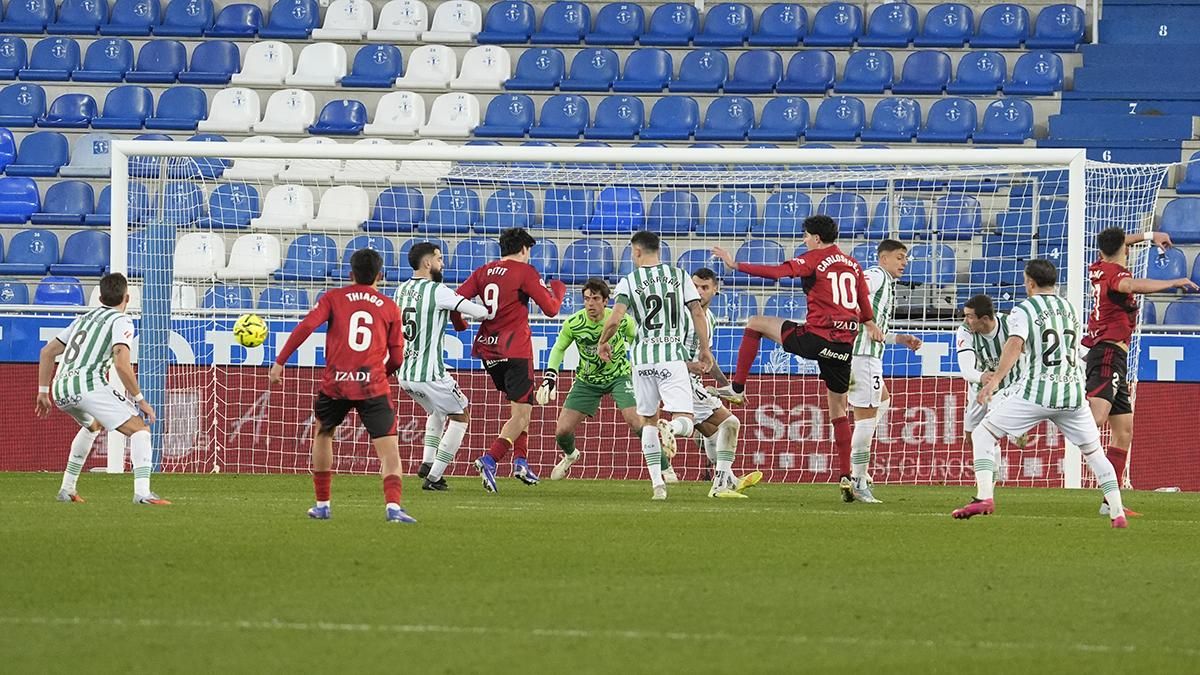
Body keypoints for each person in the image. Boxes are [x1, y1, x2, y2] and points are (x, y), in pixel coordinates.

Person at [712, 215, 882, 500]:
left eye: (805, 236)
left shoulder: (814, 258)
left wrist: (736, 265)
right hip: (843, 346)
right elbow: (864, 305)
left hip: (816, 338)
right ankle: (845, 476)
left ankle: (737, 388)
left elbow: (779, 273)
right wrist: (870, 323)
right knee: (839, 409)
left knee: (754, 322)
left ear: (816, 238)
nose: (804, 240)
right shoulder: (853, 264)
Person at [955, 260, 1130, 528]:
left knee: (983, 433)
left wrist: (994, 381)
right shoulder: (1071, 308)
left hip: (1037, 392)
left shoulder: (1024, 309)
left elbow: (1015, 344)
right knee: (1094, 452)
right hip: (1072, 392)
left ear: (1030, 283)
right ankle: (1117, 512)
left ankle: (984, 497)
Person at [269, 248, 415, 524]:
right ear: (380, 276)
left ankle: (322, 504)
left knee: (323, 435)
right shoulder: (389, 306)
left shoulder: (334, 298)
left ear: (350, 274)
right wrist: (382, 373)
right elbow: (397, 356)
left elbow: (306, 327)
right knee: (389, 450)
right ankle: (393, 507)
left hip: (335, 384)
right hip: (372, 385)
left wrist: (280, 362)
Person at [1084, 227, 1196, 516]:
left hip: (1114, 356)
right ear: (1126, 250)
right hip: (1107, 353)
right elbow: (1132, 286)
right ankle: (1055, 408)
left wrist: (1150, 236)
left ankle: (1110, 501)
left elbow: (1121, 246)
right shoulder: (1115, 276)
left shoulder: (1099, 266)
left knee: (1124, 432)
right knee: (1094, 419)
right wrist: (1175, 282)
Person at [35, 272, 168, 505]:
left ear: (100, 297)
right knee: (139, 430)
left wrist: (43, 392)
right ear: (127, 298)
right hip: (88, 384)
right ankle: (143, 494)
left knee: (93, 425)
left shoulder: (84, 319)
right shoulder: (121, 320)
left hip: (60, 388)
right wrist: (140, 399)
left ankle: (67, 489)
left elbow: (47, 352)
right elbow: (121, 363)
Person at [599, 230, 714, 501]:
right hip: (671, 355)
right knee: (685, 418)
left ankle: (657, 486)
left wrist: (603, 342)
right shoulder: (680, 276)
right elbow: (697, 312)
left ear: (636, 251)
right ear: (658, 250)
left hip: (641, 359)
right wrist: (705, 349)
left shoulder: (629, 281)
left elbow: (615, 319)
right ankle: (671, 429)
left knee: (647, 421)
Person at [455, 227, 567, 493]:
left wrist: (459, 324)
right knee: (522, 414)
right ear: (524, 249)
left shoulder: (484, 271)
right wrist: (559, 292)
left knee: (519, 410)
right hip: (515, 350)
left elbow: (456, 299)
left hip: (488, 351)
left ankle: (521, 462)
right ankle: (491, 459)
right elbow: (551, 310)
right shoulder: (524, 272)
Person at [393, 242, 489, 491]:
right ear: (428, 263)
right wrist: (495, 308)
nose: (442, 263)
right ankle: (434, 478)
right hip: (430, 373)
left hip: (404, 373)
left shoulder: (400, 290)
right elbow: (480, 313)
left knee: (437, 411)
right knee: (461, 415)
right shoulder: (438, 291)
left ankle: (426, 462)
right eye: (439, 258)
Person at [537, 277, 652, 481]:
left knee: (636, 421)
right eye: (587, 299)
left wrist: (641, 366)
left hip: (619, 375)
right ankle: (571, 455)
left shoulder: (622, 320)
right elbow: (559, 348)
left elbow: (638, 340)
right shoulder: (574, 323)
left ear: (606, 301)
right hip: (587, 380)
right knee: (562, 431)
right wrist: (550, 375)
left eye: (595, 298)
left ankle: (664, 468)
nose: (590, 303)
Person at [845, 240, 922, 504]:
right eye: (900, 257)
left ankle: (855, 471)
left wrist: (899, 339)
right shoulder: (877, 275)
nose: (904, 263)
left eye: (906, 259)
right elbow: (852, 292)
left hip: (867, 355)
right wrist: (866, 323)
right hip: (862, 357)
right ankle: (857, 479)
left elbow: (876, 330)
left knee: (884, 401)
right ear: (884, 258)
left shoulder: (887, 284)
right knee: (866, 419)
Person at [687, 268, 762, 498]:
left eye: (705, 287)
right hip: (681, 379)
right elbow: (669, 351)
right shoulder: (684, 315)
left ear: (715, 289)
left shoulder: (708, 318)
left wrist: (728, 386)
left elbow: (706, 358)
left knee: (712, 434)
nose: (699, 292)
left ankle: (729, 479)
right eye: (695, 287)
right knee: (730, 423)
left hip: (693, 381)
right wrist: (689, 368)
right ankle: (720, 486)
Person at [955, 294, 1025, 493]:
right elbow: (966, 370)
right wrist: (982, 377)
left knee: (986, 434)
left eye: (969, 316)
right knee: (971, 437)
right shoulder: (964, 332)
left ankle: (986, 490)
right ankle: (1016, 430)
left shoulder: (1010, 325)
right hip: (979, 389)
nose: (965, 320)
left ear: (984, 319)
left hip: (1010, 386)